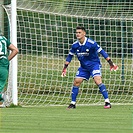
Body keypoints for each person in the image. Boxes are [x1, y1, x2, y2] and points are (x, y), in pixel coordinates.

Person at [61, 26, 118, 109]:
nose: (77, 34)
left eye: (79, 32)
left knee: (97, 80)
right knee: (76, 82)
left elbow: (102, 52)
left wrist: (111, 63)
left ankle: (107, 102)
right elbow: (70, 56)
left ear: (84, 33)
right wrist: (65, 67)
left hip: (94, 65)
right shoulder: (75, 45)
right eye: (76, 32)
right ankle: (72, 103)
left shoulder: (91, 43)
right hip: (84, 67)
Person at [0, 34, 19, 107]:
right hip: (3, 62)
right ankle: (2, 98)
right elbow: (15, 50)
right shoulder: (3, 38)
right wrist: (7, 60)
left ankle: (2, 97)